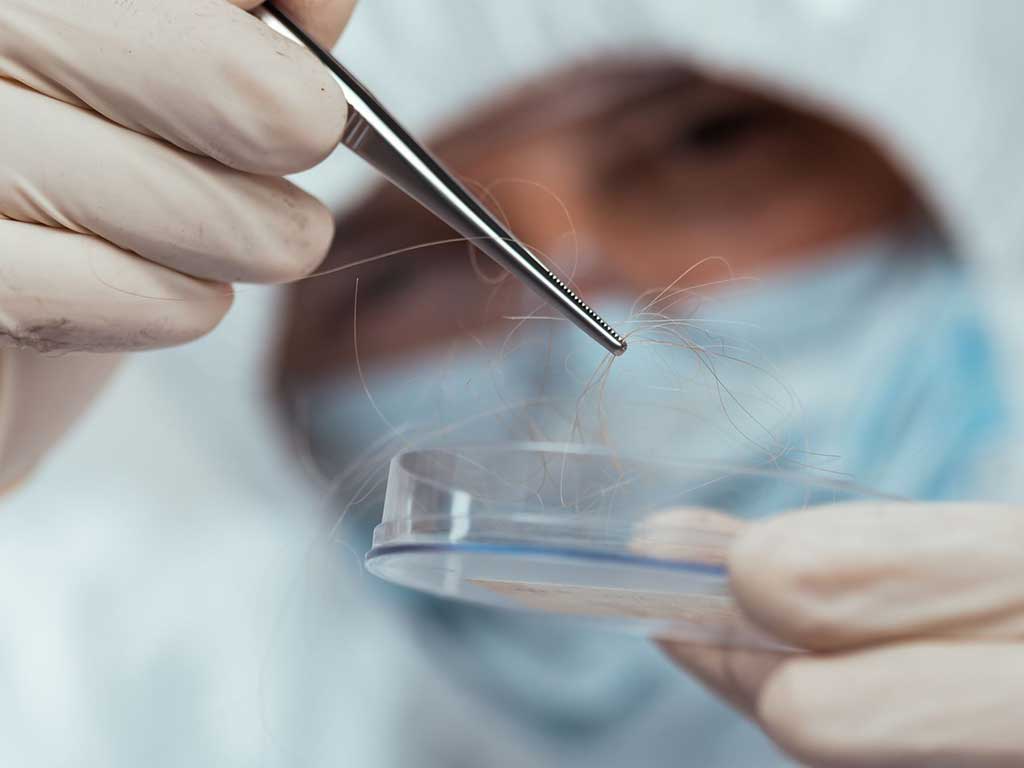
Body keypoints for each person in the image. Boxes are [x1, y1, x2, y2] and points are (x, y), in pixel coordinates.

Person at [3, 1, 1024, 767]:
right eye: (404, 267)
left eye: (705, 146)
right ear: (270, 404)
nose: (583, 304)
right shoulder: (118, 694)